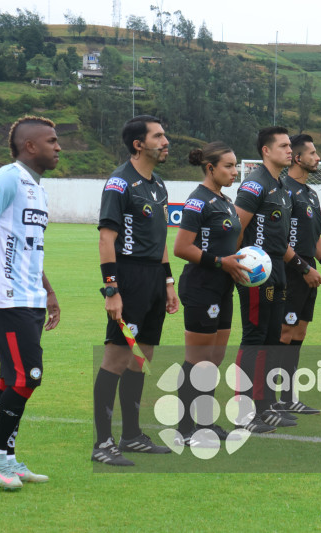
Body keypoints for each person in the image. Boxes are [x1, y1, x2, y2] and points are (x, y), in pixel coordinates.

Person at [0, 116, 61, 487]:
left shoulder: (37, 189)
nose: (59, 147)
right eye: (52, 141)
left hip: (31, 296)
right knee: (29, 377)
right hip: (8, 299)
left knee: (12, 377)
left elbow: (28, 248)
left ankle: (8, 456)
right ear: (30, 146)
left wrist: (49, 291)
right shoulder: (7, 178)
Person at [92, 115, 178, 465]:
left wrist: (169, 282)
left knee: (141, 358)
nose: (165, 140)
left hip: (155, 281)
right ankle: (102, 443)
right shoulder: (119, 183)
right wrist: (112, 289)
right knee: (116, 358)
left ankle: (131, 436)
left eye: (164, 133)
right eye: (158, 136)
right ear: (138, 144)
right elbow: (106, 238)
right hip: (128, 279)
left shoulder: (158, 185)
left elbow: (161, 240)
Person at [234, 126, 321, 430]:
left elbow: (280, 241)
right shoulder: (255, 185)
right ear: (266, 151)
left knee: (272, 341)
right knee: (255, 340)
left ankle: (267, 407)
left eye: (289, 145)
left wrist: (299, 265)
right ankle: (244, 412)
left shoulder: (281, 186)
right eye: (283, 146)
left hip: (279, 275)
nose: (289, 150)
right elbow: (235, 229)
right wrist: (236, 267)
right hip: (257, 279)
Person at [172, 142, 250, 446]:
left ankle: (205, 420)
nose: (235, 172)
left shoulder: (226, 201)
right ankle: (184, 428)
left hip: (223, 289)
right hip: (200, 288)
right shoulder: (198, 201)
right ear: (210, 168)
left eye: (236, 166)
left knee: (214, 360)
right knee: (197, 361)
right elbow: (181, 248)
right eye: (229, 167)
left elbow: (229, 246)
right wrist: (221, 262)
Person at [279, 134, 321, 415]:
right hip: (290, 270)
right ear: (297, 158)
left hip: (308, 270)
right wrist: (303, 268)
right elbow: (277, 238)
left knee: (300, 331)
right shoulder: (282, 189)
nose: (318, 157)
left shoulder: (310, 193)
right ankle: (275, 398)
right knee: (284, 332)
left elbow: (316, 238)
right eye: (312, 153)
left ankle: (288, 395)